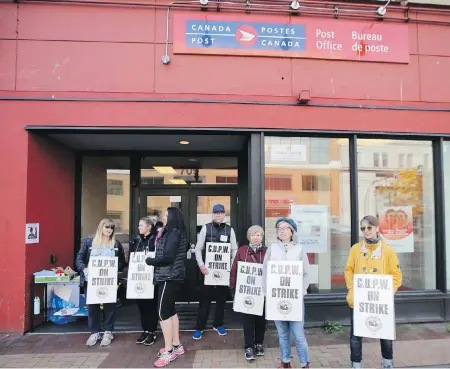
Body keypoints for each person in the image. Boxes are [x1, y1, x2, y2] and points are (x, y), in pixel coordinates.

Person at [344, 215, 402, 369]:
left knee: (385, 334)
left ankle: (387, 363)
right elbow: (349, 270)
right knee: (356, 334)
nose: (366, 231)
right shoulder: (355, 249)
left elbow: (396, 275)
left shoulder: (388, 250)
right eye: (363, 228)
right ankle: (356, 364)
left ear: (377, 228)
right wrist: (352, 290)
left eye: (369, 227)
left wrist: (387, 294)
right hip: (358, 299)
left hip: (380, 300)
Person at [262, 217, 310, 369]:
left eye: (285, 228)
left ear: (292, 231)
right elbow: (265, 271)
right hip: (276, 298)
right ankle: (285, 361)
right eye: (279, 228)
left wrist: (301, 292)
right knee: (282, 334)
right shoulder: (272, 248)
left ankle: (304, 363)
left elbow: (306, 273)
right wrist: (266, 292)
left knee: (298, 334)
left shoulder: (299, 249)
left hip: (294, 299)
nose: (281, 231)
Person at [145, 207, 187, 368]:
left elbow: (168, 257)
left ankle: (169, 351)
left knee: (163, 313)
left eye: (166, 215)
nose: (164, 216)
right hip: (170, 276)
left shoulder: (174, 233)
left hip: (169, 277)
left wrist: (150, 261)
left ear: (172, 217)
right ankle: (176, 345)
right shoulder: (173, 232)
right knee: (170, 311)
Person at [76, 218, 126, 347]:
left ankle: (108, 331)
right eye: (107, 227)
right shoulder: (89, 241)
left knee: (109, 306)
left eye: (111, 228)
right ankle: (95, 332)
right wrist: (84, 268)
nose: (109, 230)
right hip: (92, 280)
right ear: (101, 228)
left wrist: (115, 267)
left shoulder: (115, 244)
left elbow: (122, 262)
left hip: (109, 280)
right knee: (93, 306)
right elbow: (79, 257)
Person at [192, 204, 238, 339]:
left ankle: (218, 324)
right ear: (213, 215)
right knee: (204, 301)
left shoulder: (230, 230)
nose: (218, 215)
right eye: (216, 213)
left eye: (221, 213)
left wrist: (231, 265)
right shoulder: (206, 228)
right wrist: (201, 265)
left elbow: (235, 249)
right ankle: (199, 327)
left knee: (221, 300)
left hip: (223, 272)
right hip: (207, 272)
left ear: (224, 215)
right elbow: (198, 249)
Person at [230, 225, 267, 361]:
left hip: (262, 292)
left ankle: (259, 343)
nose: (256, 237)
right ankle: (249, 346)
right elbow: (234, 269)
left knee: (261, 320)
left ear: (262, 237)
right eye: (253, 235)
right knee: (248, 321)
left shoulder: (267, 252)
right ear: (249, 237)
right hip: (247, 293)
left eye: (258, 235)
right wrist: (233, 287)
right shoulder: (242, 251)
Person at [130, 217, 159, 346]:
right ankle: (145, 330)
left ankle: (152, 331)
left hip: (151, 277)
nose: (139, 227)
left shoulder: (155, 240)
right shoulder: (136, 240)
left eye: (141, 225)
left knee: (151, 306)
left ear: (149, 227)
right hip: (138, 277)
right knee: (141, 305)